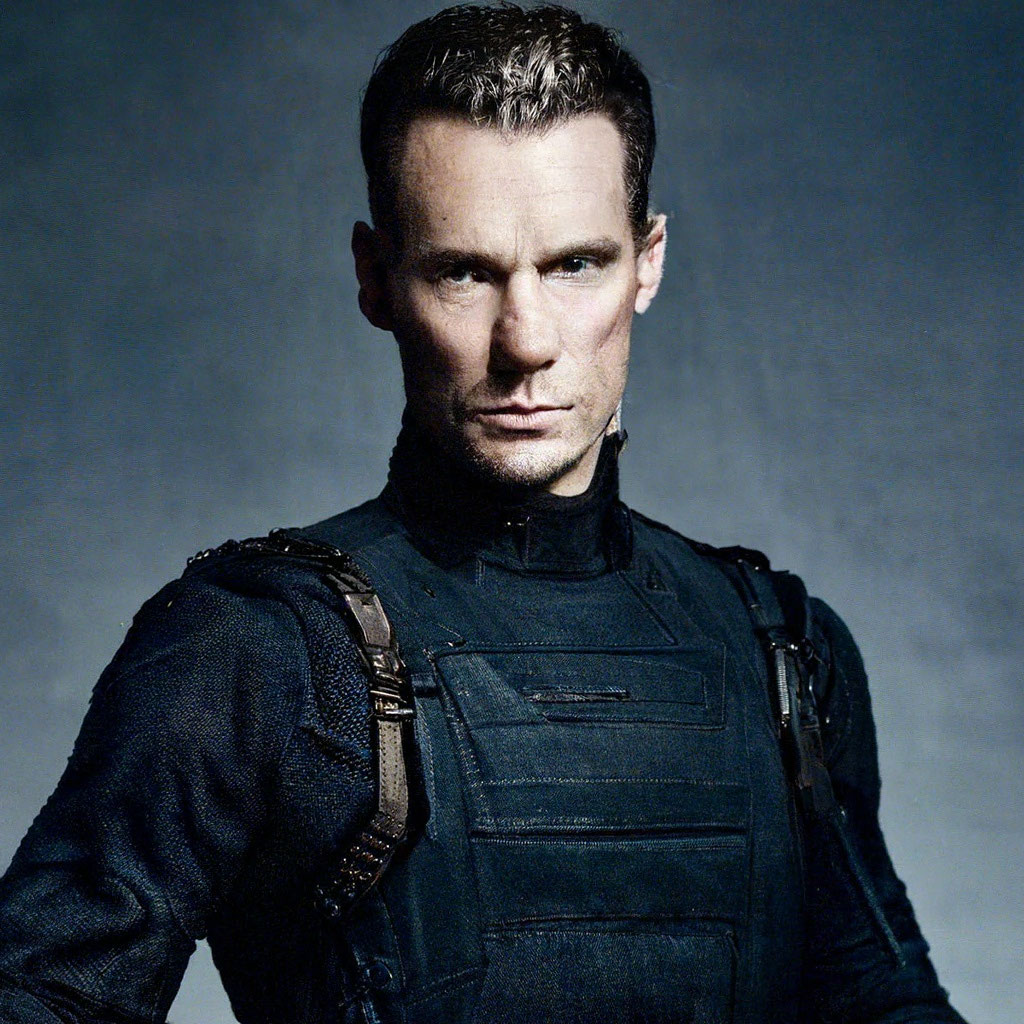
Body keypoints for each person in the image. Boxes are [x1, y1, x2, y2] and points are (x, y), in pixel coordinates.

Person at [0, 5, 967, 1023]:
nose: (526, 341)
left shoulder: (783, 651)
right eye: (463, 271)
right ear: (377, 279)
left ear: (648, 261)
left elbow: (884, 1002)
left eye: (575, 264)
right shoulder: (254, 649)